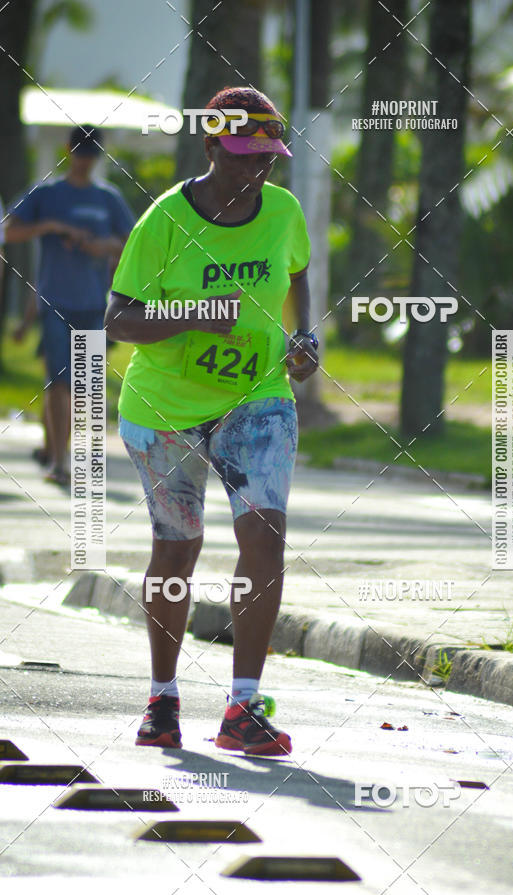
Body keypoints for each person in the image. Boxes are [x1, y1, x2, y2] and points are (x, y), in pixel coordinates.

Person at [104, 86, 318, 755]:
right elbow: (118, 321)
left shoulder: (282, 211)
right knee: (177, 549)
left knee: (265, 539)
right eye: (242, 157)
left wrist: (304, 337)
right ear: (210, 147)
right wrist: (193, 314)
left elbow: (299, 270)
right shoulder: (164, 222)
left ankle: (243, 706)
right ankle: (162, 701)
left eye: (267, 159)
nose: (255, 172)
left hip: (257, 398)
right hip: (165, 408)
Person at [5, 125, 134, 485]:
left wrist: (103, 246)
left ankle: (80, 458)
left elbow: (132, 247)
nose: (85, 163)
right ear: (68, 151)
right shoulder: (47, 193)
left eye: (91, 157)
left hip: (92, 305)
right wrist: (50, 226)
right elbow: (9, 230)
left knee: (88, 386)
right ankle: (59, 460)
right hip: (54, 302)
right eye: (80, 154)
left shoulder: (108, 198)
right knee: (58, 383)